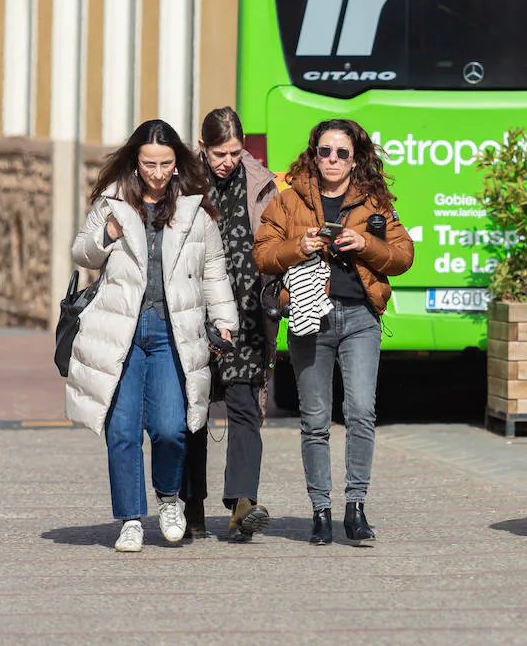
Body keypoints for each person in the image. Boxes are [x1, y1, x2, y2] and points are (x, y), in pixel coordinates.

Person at [66, 119, 237, 553]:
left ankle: (168, 500)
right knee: (121, 430)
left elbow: (213, 269)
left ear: (177, 163)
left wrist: (224, 319)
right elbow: (81, 252)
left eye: (165, 163)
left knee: (170, 428)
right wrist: (106, 236)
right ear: (135, 164)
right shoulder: (112, 203)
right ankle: (129, 519)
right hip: (120, 330)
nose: (158, 172)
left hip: (171, 332)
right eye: (149, 164)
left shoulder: (194, 211)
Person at [254, 119, 414, 546]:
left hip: (360, 316)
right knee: (315, 419)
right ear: (314, 153)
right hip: (310, 316)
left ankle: (355, 508)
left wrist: (365, 245)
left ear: (355, 158)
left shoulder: (373, 201)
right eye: (325, 151)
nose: (332, 160)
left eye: (342, 153)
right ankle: (320, 511)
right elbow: (263, 254)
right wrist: (299, 247)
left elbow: (402, 256)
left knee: (361, 410)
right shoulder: (288, 202)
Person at [181, 107, 280, 542]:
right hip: (194, 315)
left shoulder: (262, 185)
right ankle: (192, 508)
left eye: (235, 152)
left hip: (246, 318)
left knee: (244, 410)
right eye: (219, 153)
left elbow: (276, 241)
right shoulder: (183, 183)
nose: (228, 161)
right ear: (202, 148)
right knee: (193, 412)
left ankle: (243, 503)